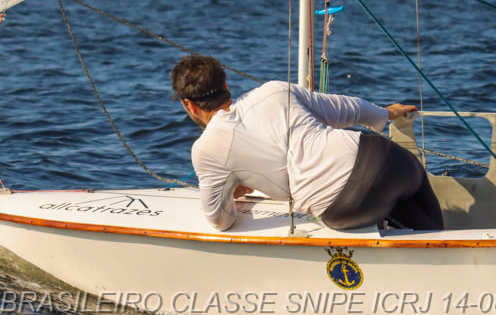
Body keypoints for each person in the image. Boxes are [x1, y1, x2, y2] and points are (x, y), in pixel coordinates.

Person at [170, 54, 444, 232]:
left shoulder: (205, 149)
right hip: (387, 159)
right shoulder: (274, 90)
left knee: (388, 212)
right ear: (226, 85)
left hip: (346, 205)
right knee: (433, 234)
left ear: (189, 104)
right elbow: (350, 109)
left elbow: (219, 220)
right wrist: (387, 113)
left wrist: (233, 189)